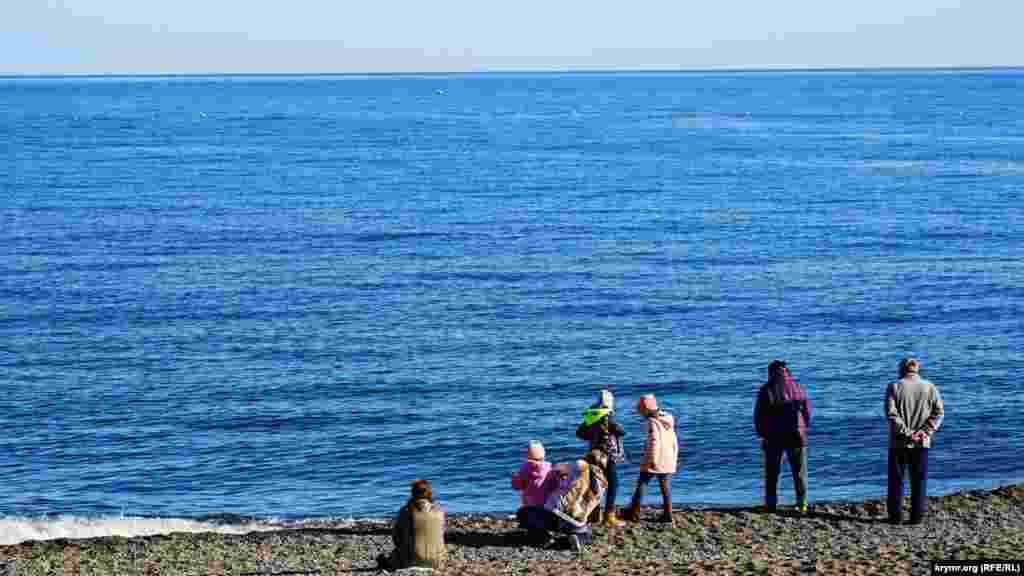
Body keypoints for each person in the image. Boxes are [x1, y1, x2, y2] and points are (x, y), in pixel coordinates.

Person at [886, 357, 944, 525]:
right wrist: (925, 431)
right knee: (919, 481)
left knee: (897, 480)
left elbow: (891, 414)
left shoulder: (894, 386)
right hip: (922, 442)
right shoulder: (930, 387)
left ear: (901, 369)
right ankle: (916, 517)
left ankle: (895, 517)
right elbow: (939, 413)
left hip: (899, 442)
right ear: (917, 370)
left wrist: (907, 433)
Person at [754, 360, 812, 513]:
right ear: (787, 372)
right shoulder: (799, 387)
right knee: (799, 472)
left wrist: (762, 434)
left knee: (772, 472)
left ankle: (771, 504)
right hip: (797, 434)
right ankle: (802, 504)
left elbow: (759, 416)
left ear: (771, 373)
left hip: (774, 435)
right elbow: (807, 412)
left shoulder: (766, 390)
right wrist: (803, 427)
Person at [622, 394, 679, 525]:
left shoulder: (651, 423)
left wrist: (652, 459)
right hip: (668, 456)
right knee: (665, 486)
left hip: (655, 457)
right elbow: (673, 440)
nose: (639, 414)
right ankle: (668, 515)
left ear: (645, 410)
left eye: (640, 411)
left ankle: (633, 512)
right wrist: (675, 455)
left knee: (642, 483)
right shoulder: (667, 419)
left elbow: (654, 442)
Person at [576, 389, 626, 527]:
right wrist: (611, 423)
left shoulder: (592, 417)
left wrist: (592, 432)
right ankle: (609, 516)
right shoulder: (606, 416)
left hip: (593, 454)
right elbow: (621, 432)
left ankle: (593, 515)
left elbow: (579, 433)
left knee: (594, 484)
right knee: (613, 484)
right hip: (607, 455)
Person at [545, 447, 611, 551]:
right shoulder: (603, 483)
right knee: (587, 534)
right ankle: (575, 539)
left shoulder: (580, 465)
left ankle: (555, 534)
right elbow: (592, 507)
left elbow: (556, 468)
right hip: (577, 519)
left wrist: (561, 475)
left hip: (555, 511)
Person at [376, 479, 447, 571]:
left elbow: (397, 539)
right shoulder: (440, 511)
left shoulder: (406, 511)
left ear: (413, 493)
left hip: (410, 561)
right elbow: (442, 534)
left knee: (389, 557)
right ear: (430, 493)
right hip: (437, 562)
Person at [511, 440, 556, 544]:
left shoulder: (525, 469)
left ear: (528, 455)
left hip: (530, 509)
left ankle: (536, 532)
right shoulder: (549, 468)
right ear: (543, 454)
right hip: (549, 510)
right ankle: (543, 532)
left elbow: (516, 486)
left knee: (521, 514)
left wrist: (515, 478)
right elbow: (554, 486)